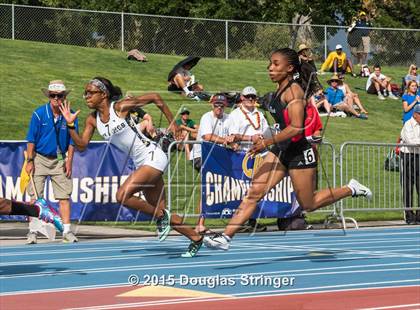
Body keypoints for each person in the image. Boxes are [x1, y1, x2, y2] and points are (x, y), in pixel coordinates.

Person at [203, 48, 372, 250]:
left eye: (275, 64)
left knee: (308, 204)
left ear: (289, 68)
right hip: (281, 150)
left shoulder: (294, 92)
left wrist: (265, 143)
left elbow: (296, 127)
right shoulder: (278, 91)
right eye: (270, 64)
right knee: (255, 191)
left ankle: (350, 188)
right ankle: (226, 237)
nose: (270, 68)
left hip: (299, 153)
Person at [59, 77, 203, 257]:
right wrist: (70, 125)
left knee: (122, 196)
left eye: (90, 92)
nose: (86, 96)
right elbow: (81, 145)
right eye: (85, 93)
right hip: (141, 162)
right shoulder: (92, 120)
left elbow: (155, 97)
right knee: (161, 211)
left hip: (153, 156)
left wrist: (173, 123)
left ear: (103, 94)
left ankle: (161, 217)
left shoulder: (119, 107)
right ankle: (195, 238)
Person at [25, 80, 78, 244]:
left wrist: (69, 161)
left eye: (59, 95)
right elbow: (31, 140)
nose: (56, 98)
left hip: (60, 159)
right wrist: (30, 160)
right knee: (35, 197)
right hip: (39, 158)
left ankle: (67, 231)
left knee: (64, 197)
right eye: (53, 95)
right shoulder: (39, 114)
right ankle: (32, 232)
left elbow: (72, 141)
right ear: (49, 96)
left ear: (64, 96)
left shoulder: (70, 115)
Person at [226, 86, 269, 232]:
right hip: (241, 155)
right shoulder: (235, 115)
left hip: (258, 155)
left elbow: (266, 132)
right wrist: (251, 138)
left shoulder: (260, 114)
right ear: (242, 98)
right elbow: (232, 135)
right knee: (242, 189)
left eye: (253, 97)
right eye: (248, 97)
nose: (251, 99)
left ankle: (251, 219)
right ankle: (241, 221)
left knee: (255, 190)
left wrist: (262, 139)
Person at [190, 94, 231, 234]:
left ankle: (238, 219)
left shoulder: (228, 118)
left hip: (216, 157)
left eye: (221, 105)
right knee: (207, 188)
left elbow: (232, 134)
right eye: (216, 105)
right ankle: (200, 224)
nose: (218, 107)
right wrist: (225, 140)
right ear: (211, 105)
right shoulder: (207, 117)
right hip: (201, 156)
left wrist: (234, 141)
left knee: (229, 186)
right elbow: (207, 136)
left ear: (225, 106)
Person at [399, 105, 420, 224]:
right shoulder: (408, 124)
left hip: (419, 156)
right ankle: (409, 216)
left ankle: (419, 216)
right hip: (408, 156)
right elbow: (410, 141)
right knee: (407, 187)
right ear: (415, 114)